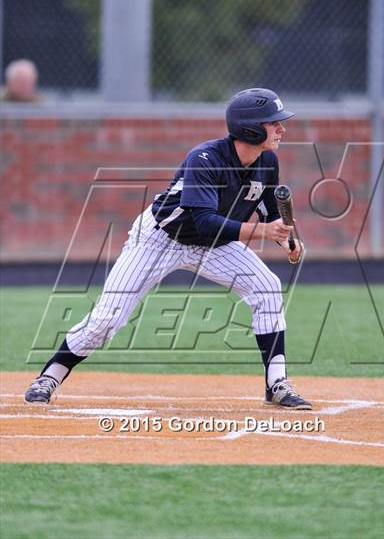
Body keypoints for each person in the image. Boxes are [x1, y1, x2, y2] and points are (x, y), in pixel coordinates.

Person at [24, 87, 312, 410]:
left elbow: (270, 209)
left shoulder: (267, 161)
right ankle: (49, 376)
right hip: (160, 240)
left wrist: (287, 239)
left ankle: (277, 383)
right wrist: (262, 230)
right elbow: (204, 221)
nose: (281, 129)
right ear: (249, 128)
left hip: (212, 244)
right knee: (107, 320)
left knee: (267, 287)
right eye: (273, 123)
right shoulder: (205, 158)